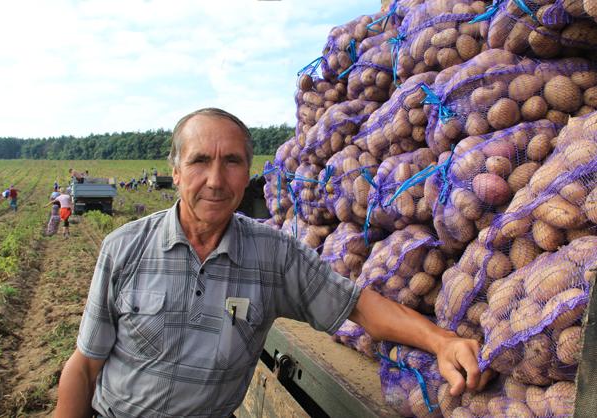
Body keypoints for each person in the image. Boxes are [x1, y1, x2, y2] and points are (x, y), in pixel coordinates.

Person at [54, 108, 489, 418]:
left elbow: (358, 305)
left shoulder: (273, 254)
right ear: (177, 171)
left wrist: (441, 340)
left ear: (248, 176)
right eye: (200, 161)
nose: (216, 180)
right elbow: (85, 365)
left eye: (232, 163)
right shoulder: (124, 248)